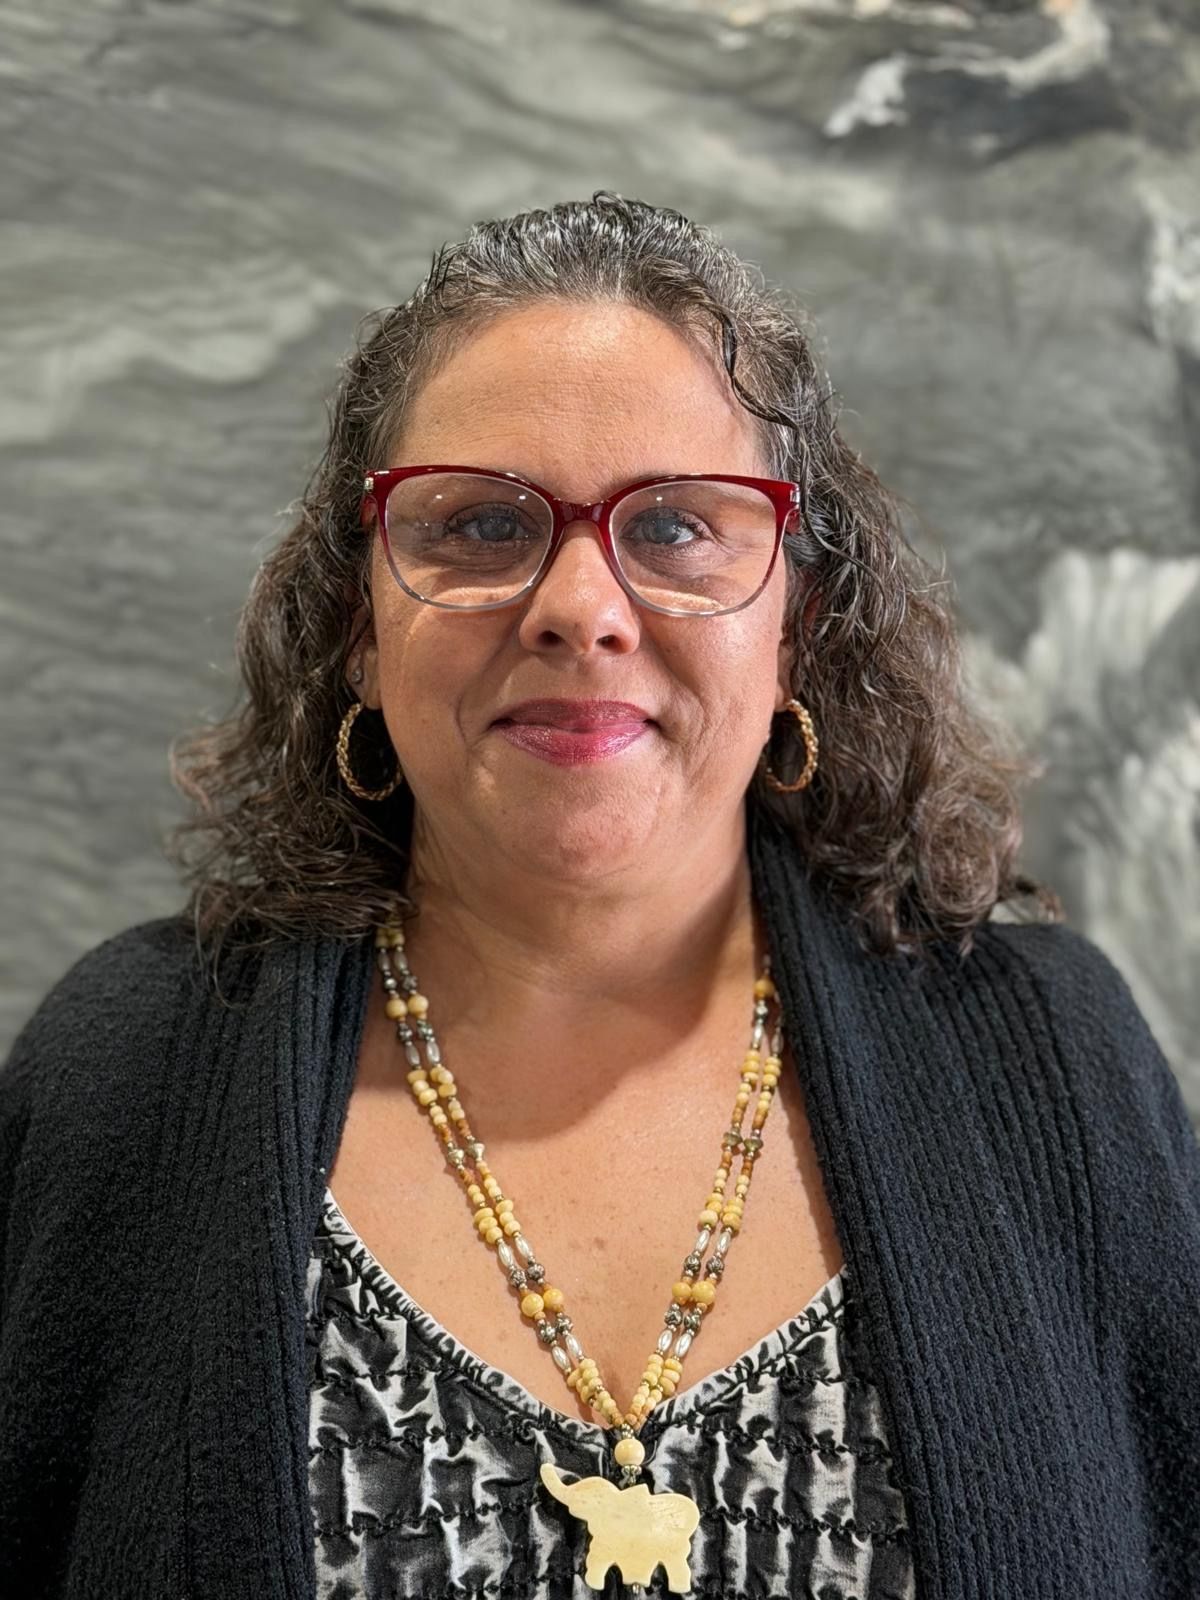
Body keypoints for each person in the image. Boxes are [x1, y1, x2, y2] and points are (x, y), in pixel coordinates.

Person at [2, 192, 1197, 1600]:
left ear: (797, 624)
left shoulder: (1053, 1065)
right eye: (480, 524)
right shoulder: (125, 1079)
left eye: (678, 526)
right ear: (359, 626)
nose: (580, 606)